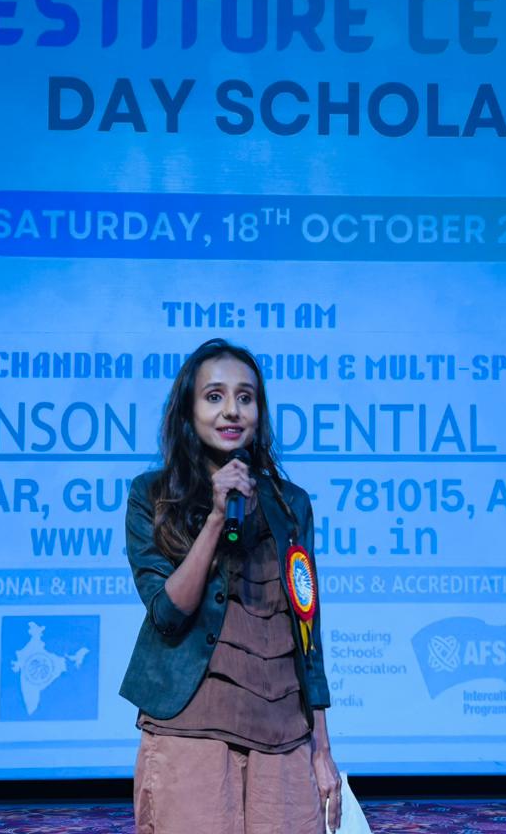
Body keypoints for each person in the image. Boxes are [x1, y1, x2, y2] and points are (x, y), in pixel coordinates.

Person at [120, 338, 342, 834]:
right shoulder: (152, 495)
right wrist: (217, 518)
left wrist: (322, 748)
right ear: (188, 411)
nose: (232, 410)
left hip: (283, 729)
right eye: (214, 396)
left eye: (246, 397)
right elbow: (168, 613)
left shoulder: (291, 505)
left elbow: (308, 628)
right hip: (191, 725)